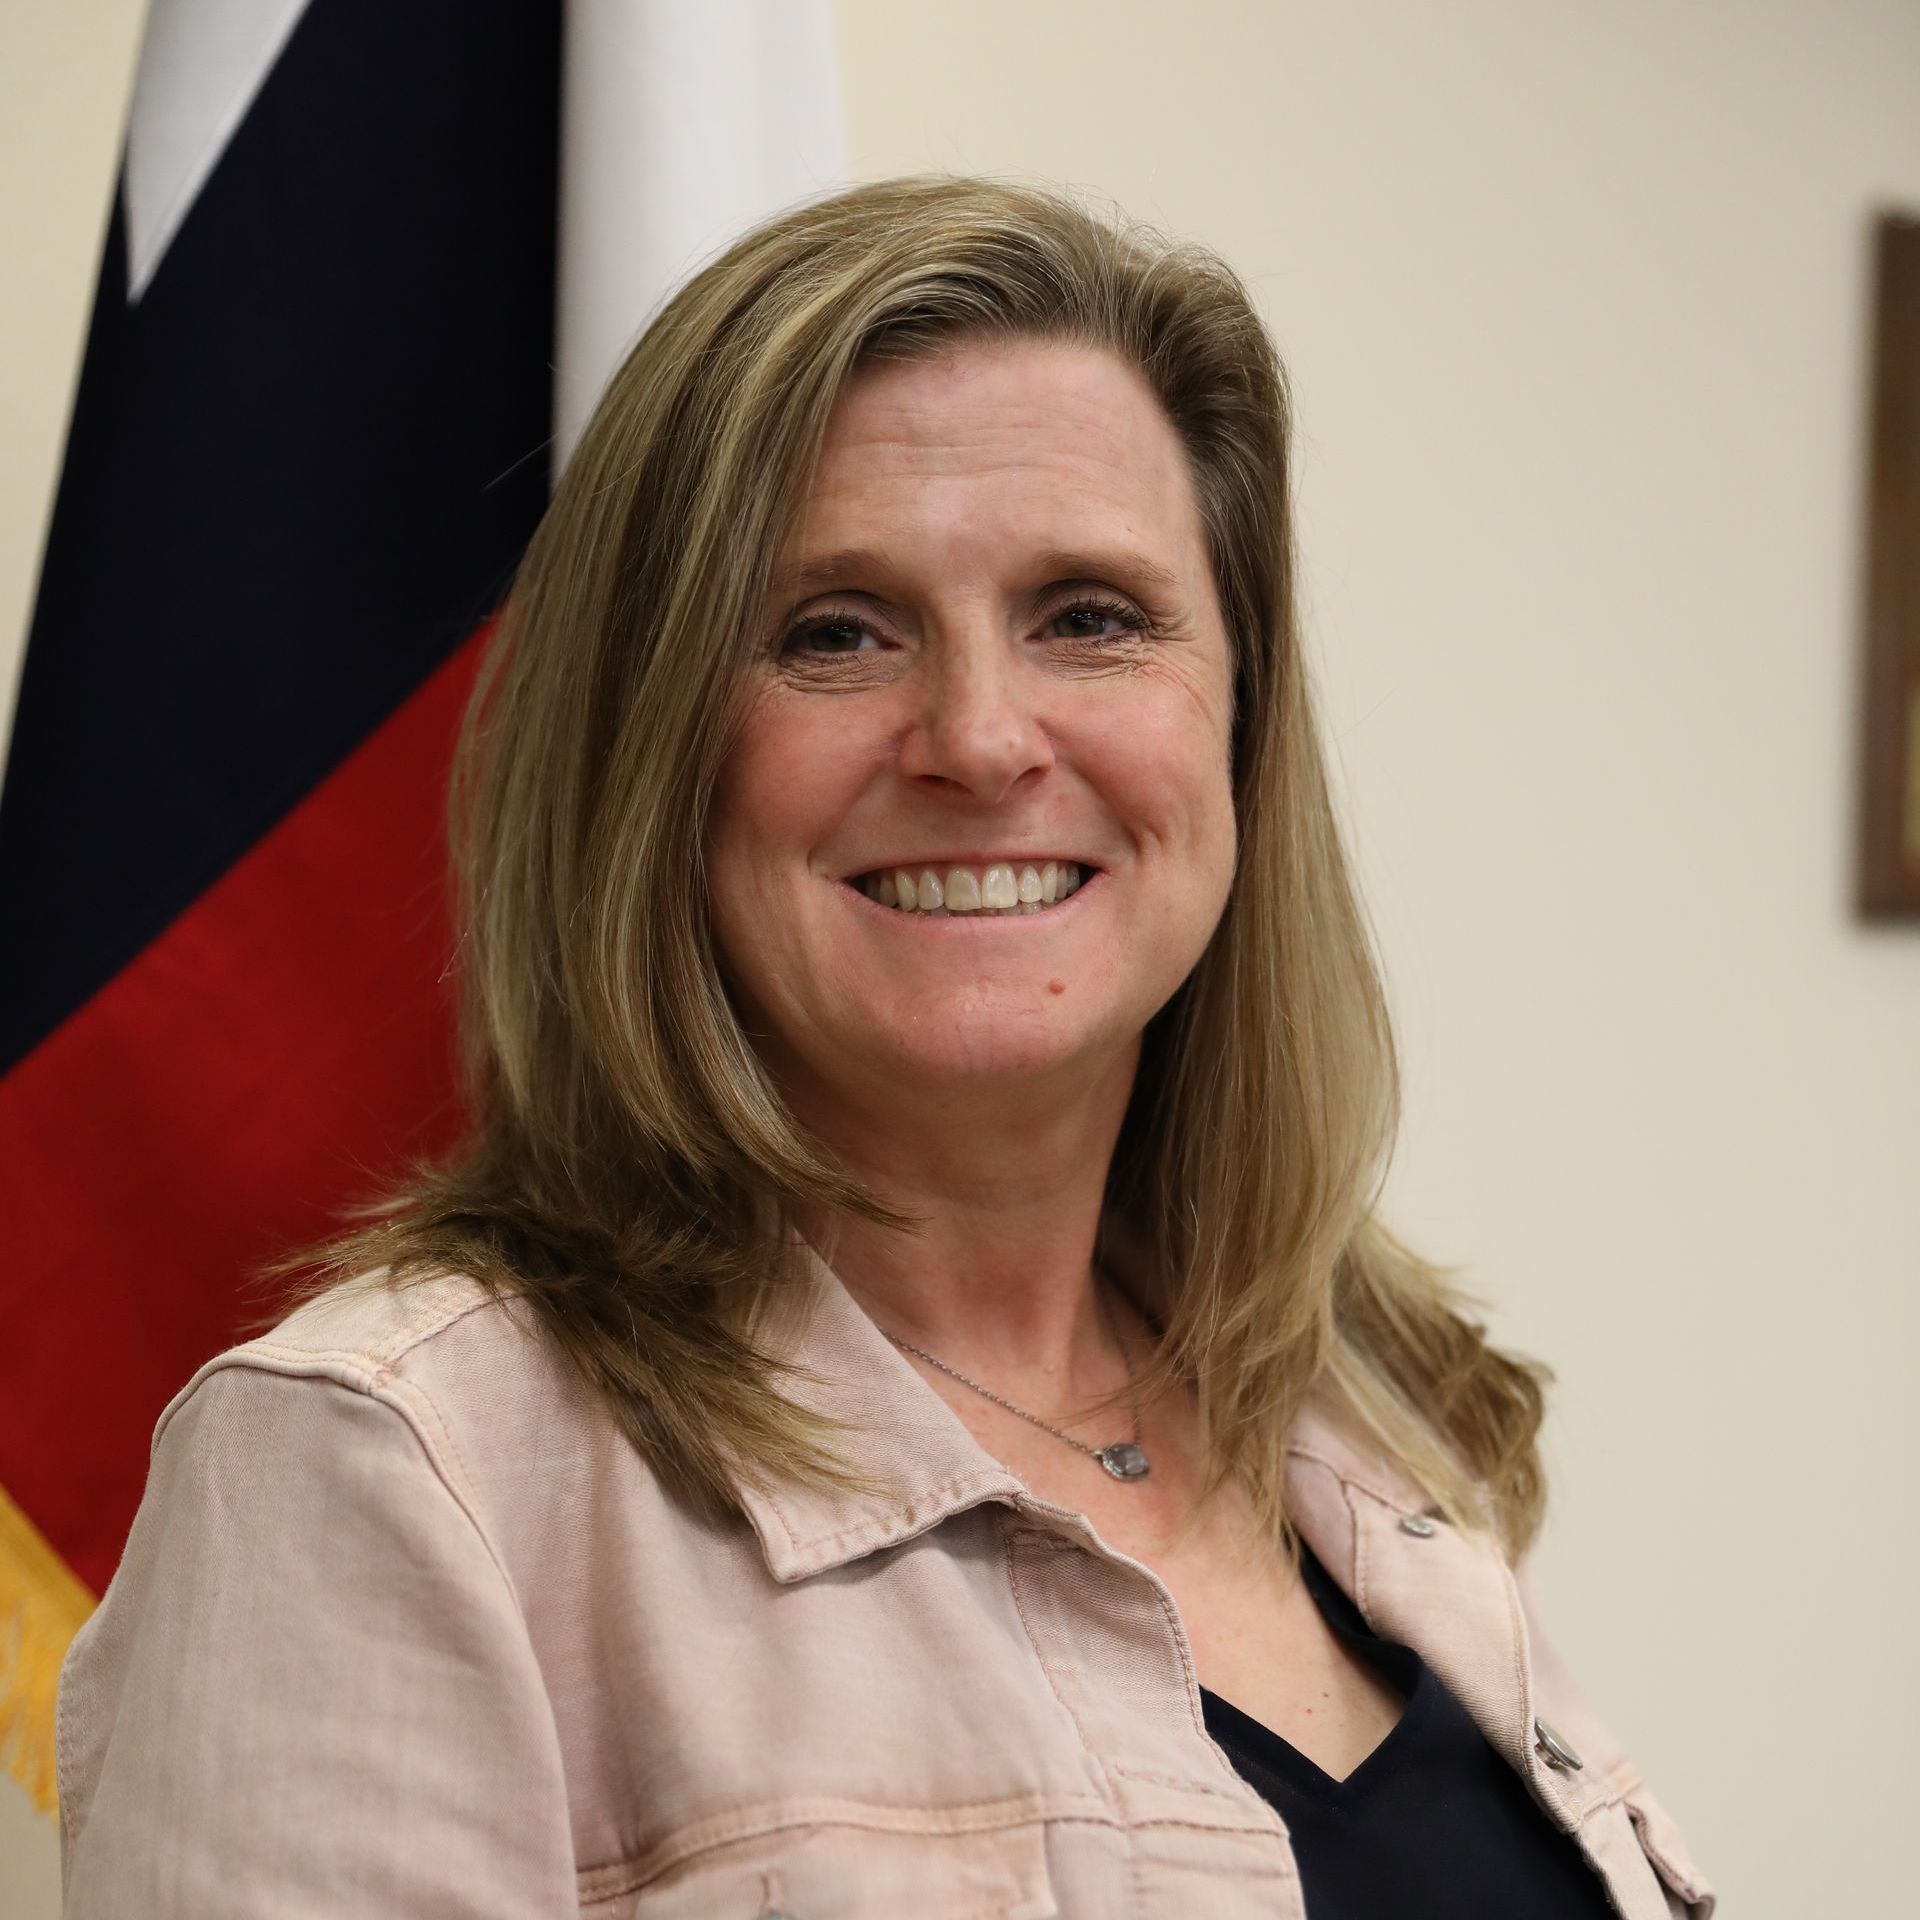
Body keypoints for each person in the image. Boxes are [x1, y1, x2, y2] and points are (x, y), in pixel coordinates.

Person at [54, 174, 1714, 1918]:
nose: (982, 739)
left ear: (1238, 722)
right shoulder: (396, 1480)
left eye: (1090, 614)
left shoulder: (1376, 1410)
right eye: (833, 631)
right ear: (652, 755)